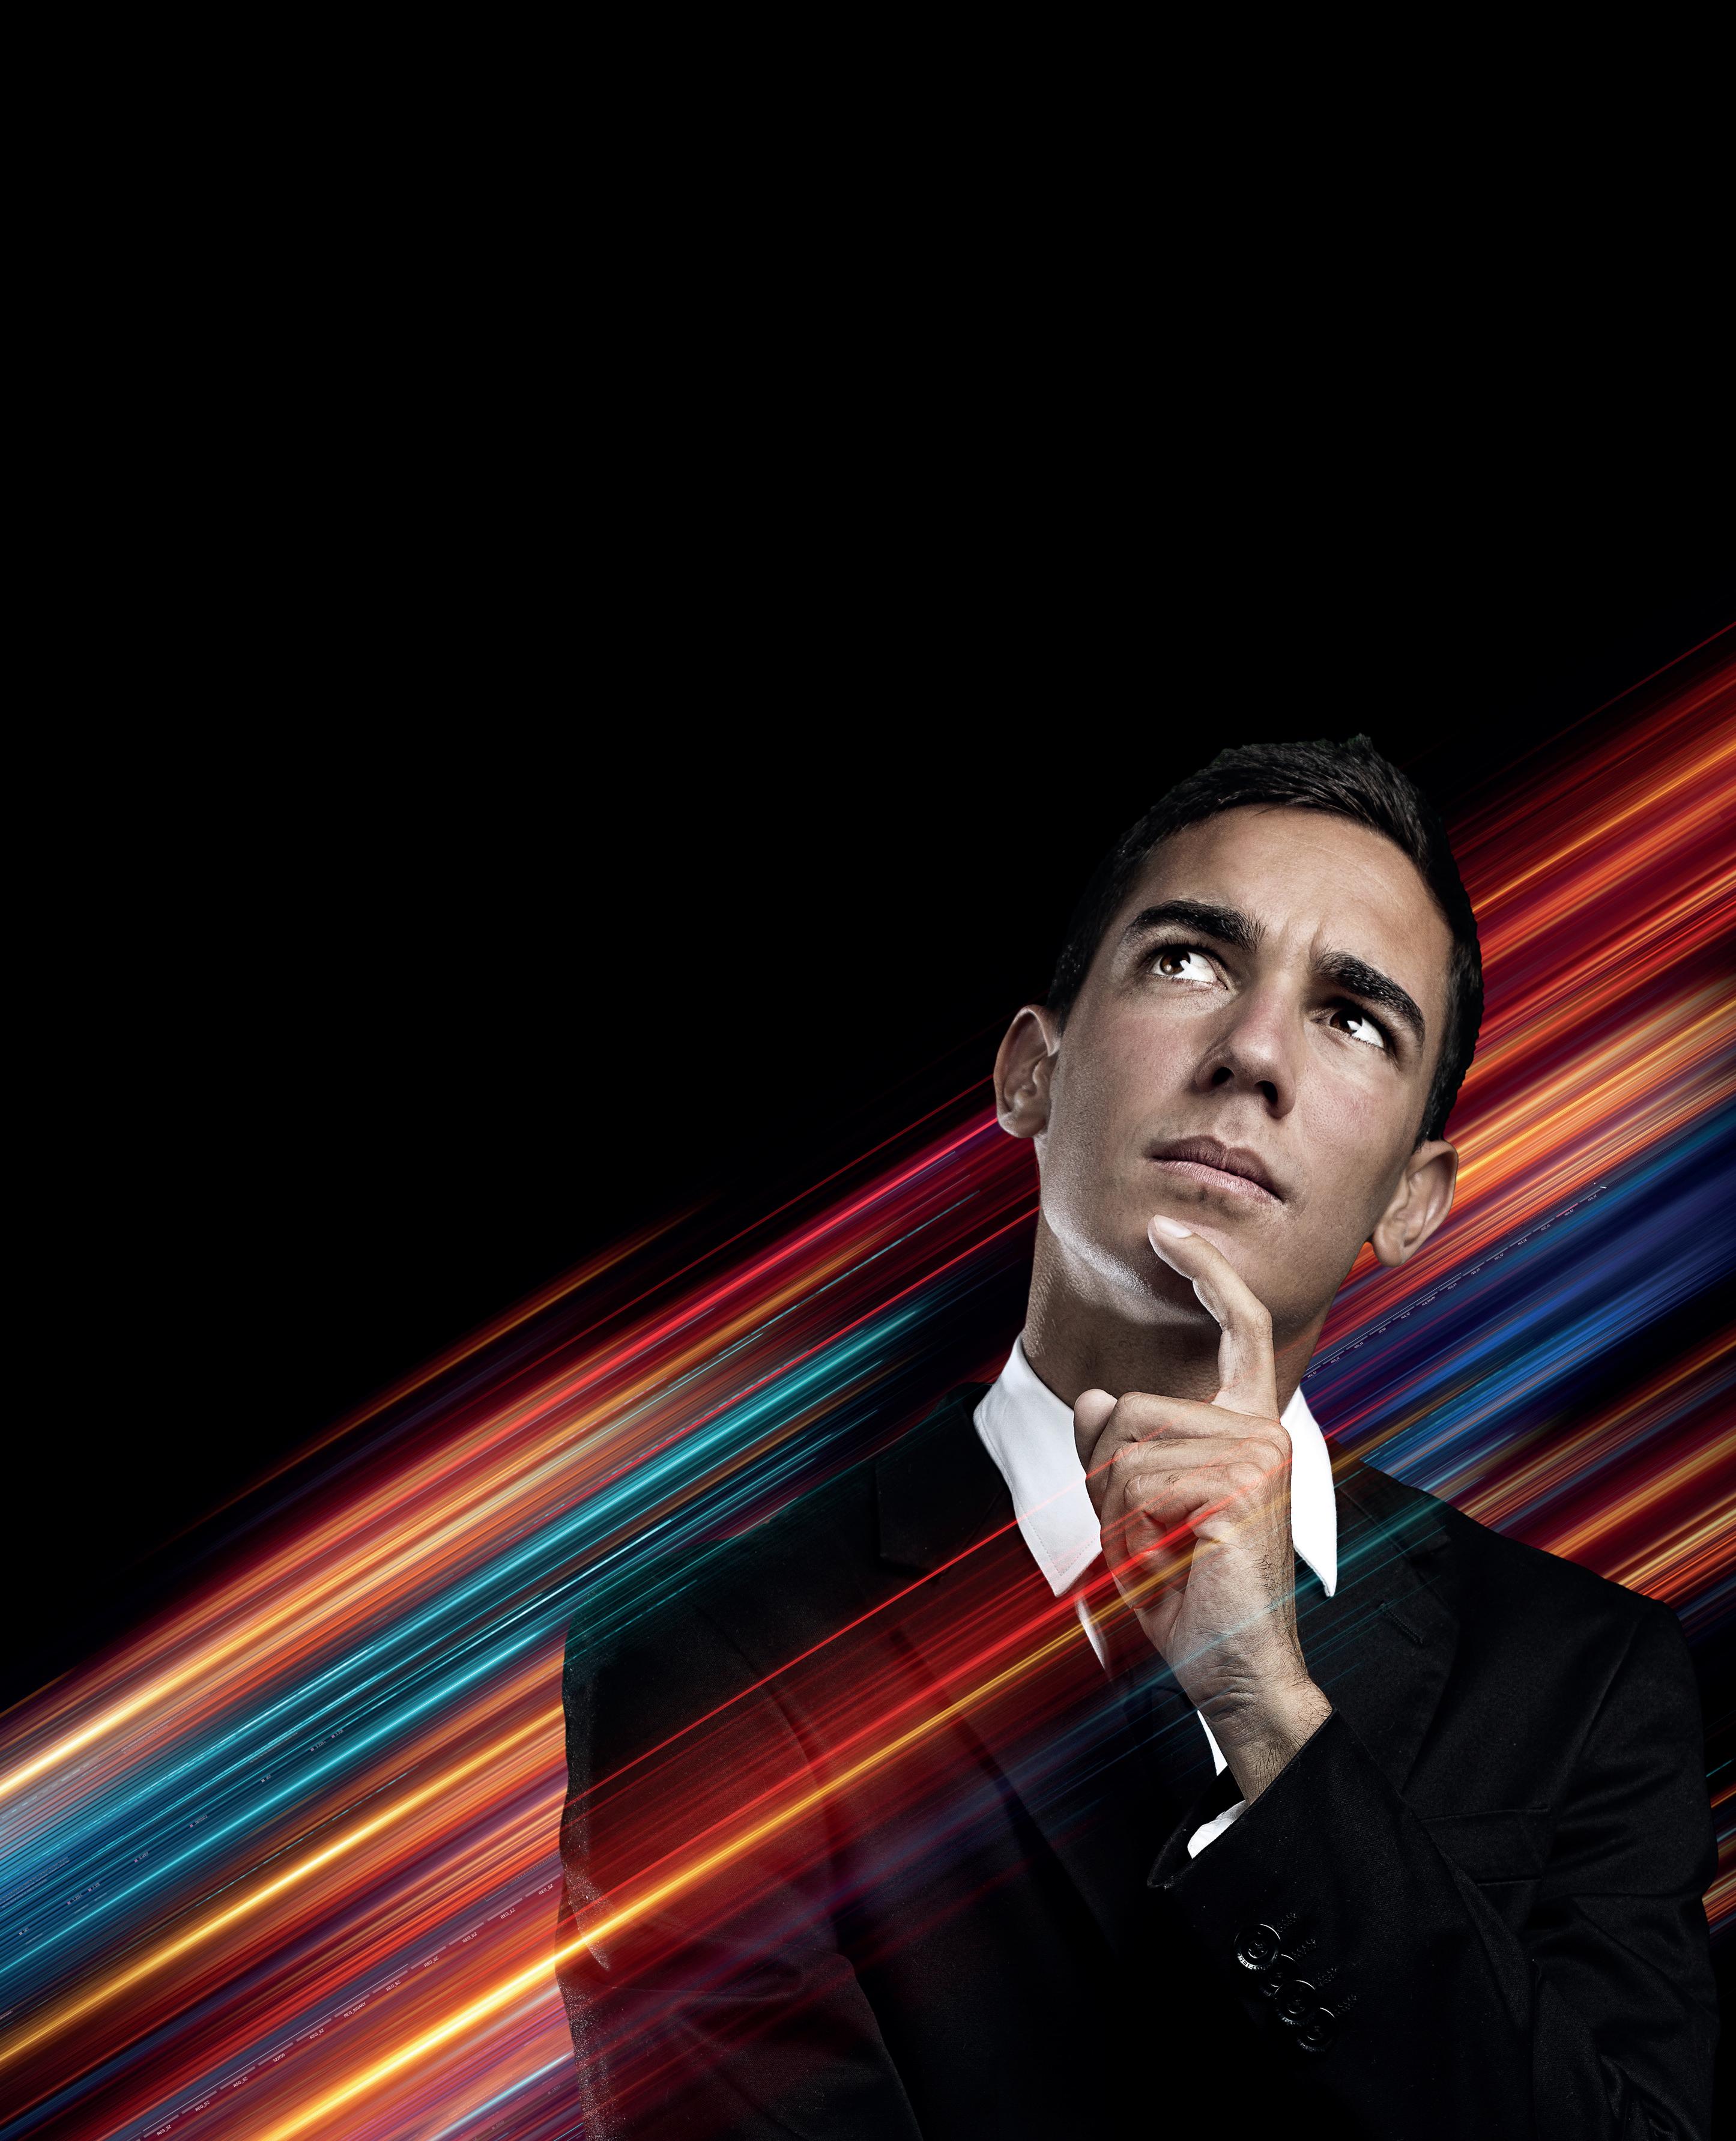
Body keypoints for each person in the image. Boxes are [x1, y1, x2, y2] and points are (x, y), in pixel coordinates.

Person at [557, 737, 1718, 2139]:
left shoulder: (1585, 1676)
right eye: (1187, 959)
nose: (1255, 1052)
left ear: (1411, 1201)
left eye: (1355, 1017)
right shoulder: (706, 1661)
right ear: (1029, 1076)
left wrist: (1270, 1715)